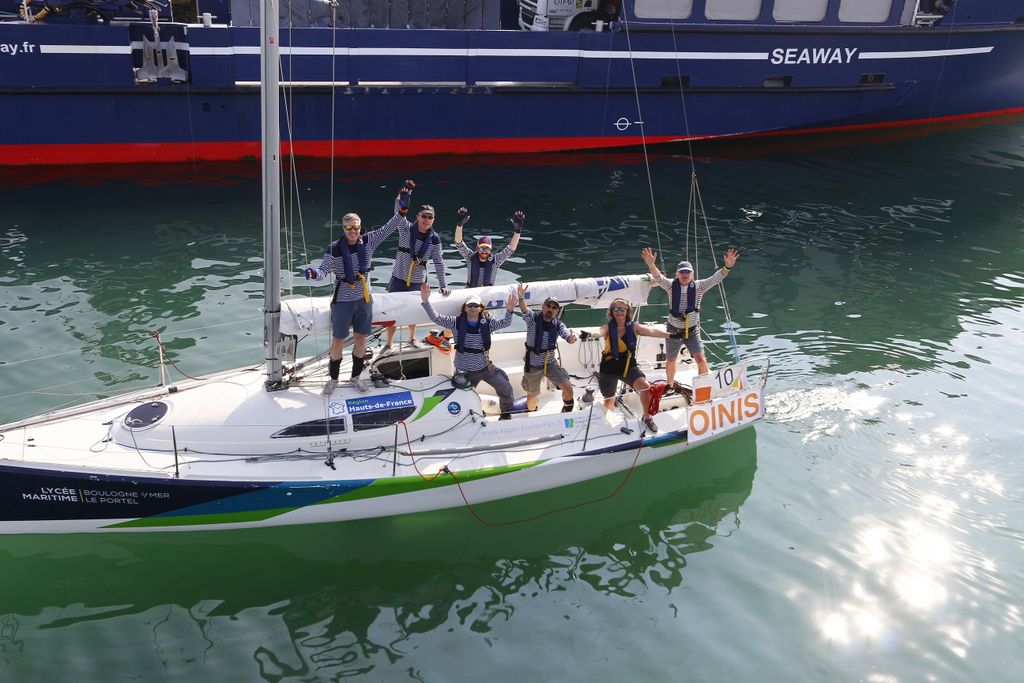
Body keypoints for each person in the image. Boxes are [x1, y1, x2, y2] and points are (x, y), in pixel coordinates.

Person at [304, 208, 402, 394]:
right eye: (349, 228)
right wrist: (313, 273)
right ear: (343, 228)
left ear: (360, 228)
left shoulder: (369, 241)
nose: (353, 231)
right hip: (342, 302)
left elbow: (388, 228)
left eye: (356, 228)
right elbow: (323, 271)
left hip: (364, 300)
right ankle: (333, 379)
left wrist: (402, 211)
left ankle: (355, 377)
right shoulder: (333, 249)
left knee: (361, 339)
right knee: (338, 341)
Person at [640, 246, 740, 381]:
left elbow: (716, 278)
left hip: (692, 330)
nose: (684, 273)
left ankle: (703, 385)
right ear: (677, 274)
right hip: (673, 330)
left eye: (687, 271)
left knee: (701, 359)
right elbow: (657, 276)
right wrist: (651, 264)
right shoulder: (670, 285)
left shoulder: (700, 286)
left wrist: (727, 267)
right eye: (682, 271)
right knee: (671, 361)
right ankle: (670, 385)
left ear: (692, 274)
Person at [420, 282, 517, 420]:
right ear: (465, 308)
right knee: (464, 396)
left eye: (475, 305)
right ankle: (472, 416)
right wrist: (425, 301)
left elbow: (505, 323)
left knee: (506, 388)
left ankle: (506, 414)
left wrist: (510, 310)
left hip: (485, 367)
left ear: (480, 308)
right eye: (470, 305)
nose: (472, 308)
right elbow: (435, 317)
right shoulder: (455, 323)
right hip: (465, 370)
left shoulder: (488, 323)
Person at [385, 180, 450, 351]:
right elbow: (397, 212)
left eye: (430, 217)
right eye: (424, 216)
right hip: (398, 278)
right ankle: (388, 343)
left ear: (433, 220)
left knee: (413, 312)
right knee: (392, 313)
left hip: (417, 281)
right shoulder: (405, 229)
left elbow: (439, 263)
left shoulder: (435, 239)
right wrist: (403, 195)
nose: (426, 220)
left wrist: (443, 285)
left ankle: (412, 338)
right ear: (417, 217)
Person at [596, 297, 676, 432]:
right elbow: (598, 332)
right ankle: (608, 421)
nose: (619, 312)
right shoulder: (607, 328)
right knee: (609, 399)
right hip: (609, 367)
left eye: (622, 309)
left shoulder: (634, 327)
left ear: (627, 311)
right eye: (616, 309)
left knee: (645, 387)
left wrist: (671, 335)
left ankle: (647, 417)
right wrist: (589, 335)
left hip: (628, 366)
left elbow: (652, 332)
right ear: (612, 312)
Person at [517, 282, 577, 413]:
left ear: (557, 311)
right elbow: (524, 309)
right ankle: (532, 411)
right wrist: (521, 297)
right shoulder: (532, 319)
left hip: (550, 363)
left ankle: (566, 412)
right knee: (532, 396)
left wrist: (570, 338)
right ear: (543, 307)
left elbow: (566, 333)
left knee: (568, 388)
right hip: (533, 364)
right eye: (548, 306)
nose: (551, 309)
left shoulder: (558, 325)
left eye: (554, 308)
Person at [454, 208, 523, 288]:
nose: (484, 251)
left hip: (488, 293)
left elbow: (510, 249)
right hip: (470, 291)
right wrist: (459, 225)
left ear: (491, 250)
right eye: (481, 248)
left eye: (487, 249)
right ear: (477, 248)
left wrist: (518, 231)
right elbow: (459, 243)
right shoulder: (470, 257)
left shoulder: (496, 261)